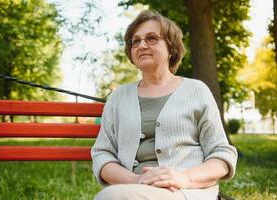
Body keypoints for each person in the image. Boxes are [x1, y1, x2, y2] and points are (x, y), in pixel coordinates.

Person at [91, 10, 237, 200]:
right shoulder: (118, 97)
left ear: (171, 48)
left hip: (187, 191)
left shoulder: (196, 90)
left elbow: (221, 154)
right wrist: (136, 180)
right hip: (131, 189)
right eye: (136, 41)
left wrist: (184, 178)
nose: (142, 45)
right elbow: (103, 154)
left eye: (151, 38)